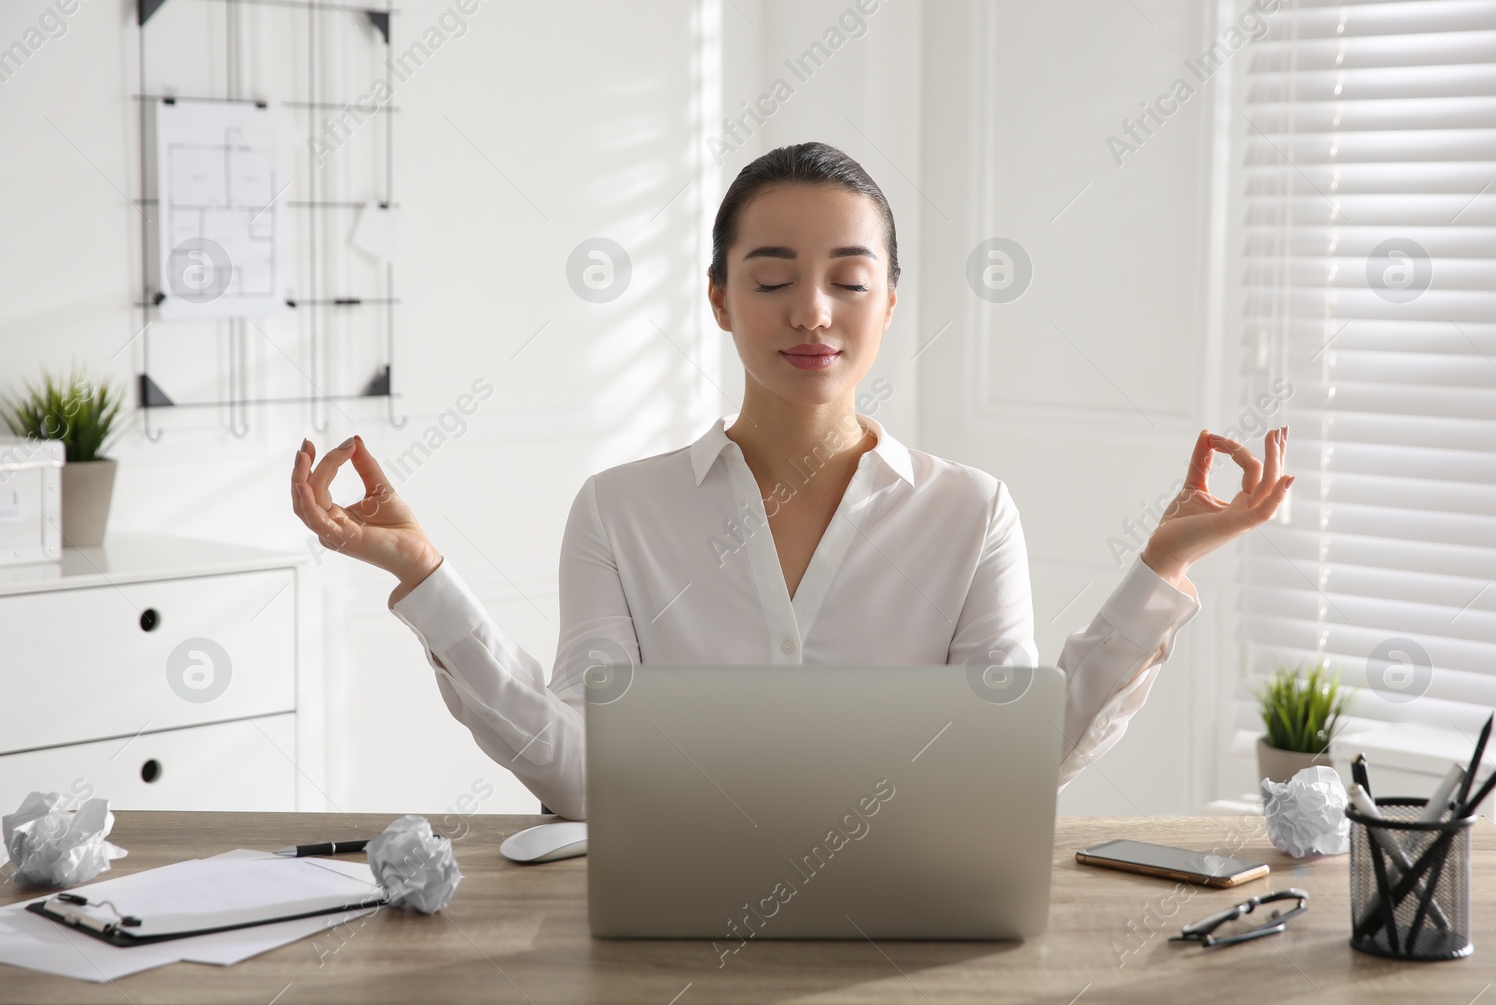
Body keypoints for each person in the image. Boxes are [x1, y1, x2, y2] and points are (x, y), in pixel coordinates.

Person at [289, 141, 1292, 822]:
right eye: (771, 279)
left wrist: (1162, 564)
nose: (811, 311)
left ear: (889, 303)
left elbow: (1017, 755)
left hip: (907, 920)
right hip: (671, 929)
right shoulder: (620, 509)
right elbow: (579, 771)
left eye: (847, 280)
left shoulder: (969, 510)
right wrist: (425, 576)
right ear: (720, 299)